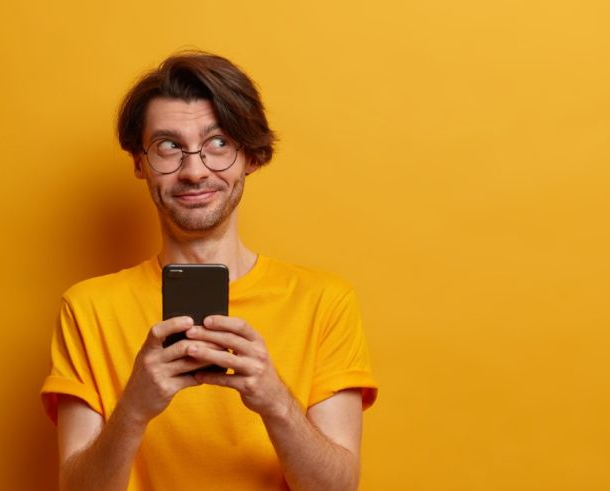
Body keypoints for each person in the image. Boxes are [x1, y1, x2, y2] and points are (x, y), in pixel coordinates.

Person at [40, 51, 378, 491]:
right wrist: (134, 408)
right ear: (140, 163)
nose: (194, 171)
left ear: (251, 157)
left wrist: (275, 399)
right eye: (168, 146)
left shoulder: (324, 302)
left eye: (218, 143)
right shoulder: (87, 309)